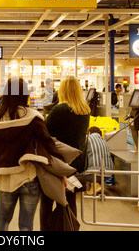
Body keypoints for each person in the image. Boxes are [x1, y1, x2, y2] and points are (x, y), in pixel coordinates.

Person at [0, 77, 64, 231]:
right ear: (25, 95)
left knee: (2, 220)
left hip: (4, 178)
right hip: (29, 177)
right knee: (26, 225)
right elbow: (49, 144)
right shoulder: (33, 118)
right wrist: (62, 169)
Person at [44, 76, 91, 218]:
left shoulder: (59, 110)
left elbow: (45, 133)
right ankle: (70, 227)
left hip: (58, 162)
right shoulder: (85, 110)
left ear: (62, 90)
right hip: (77, 162)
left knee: (47, 200)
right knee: (70, 200)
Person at [85, 127, 115, 195]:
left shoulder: (88, 139)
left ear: (89, 133)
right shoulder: (105, 141)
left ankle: (95, 185)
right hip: (109, 174)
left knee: (78, 176)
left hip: (95, 173)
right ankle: (97, 185)